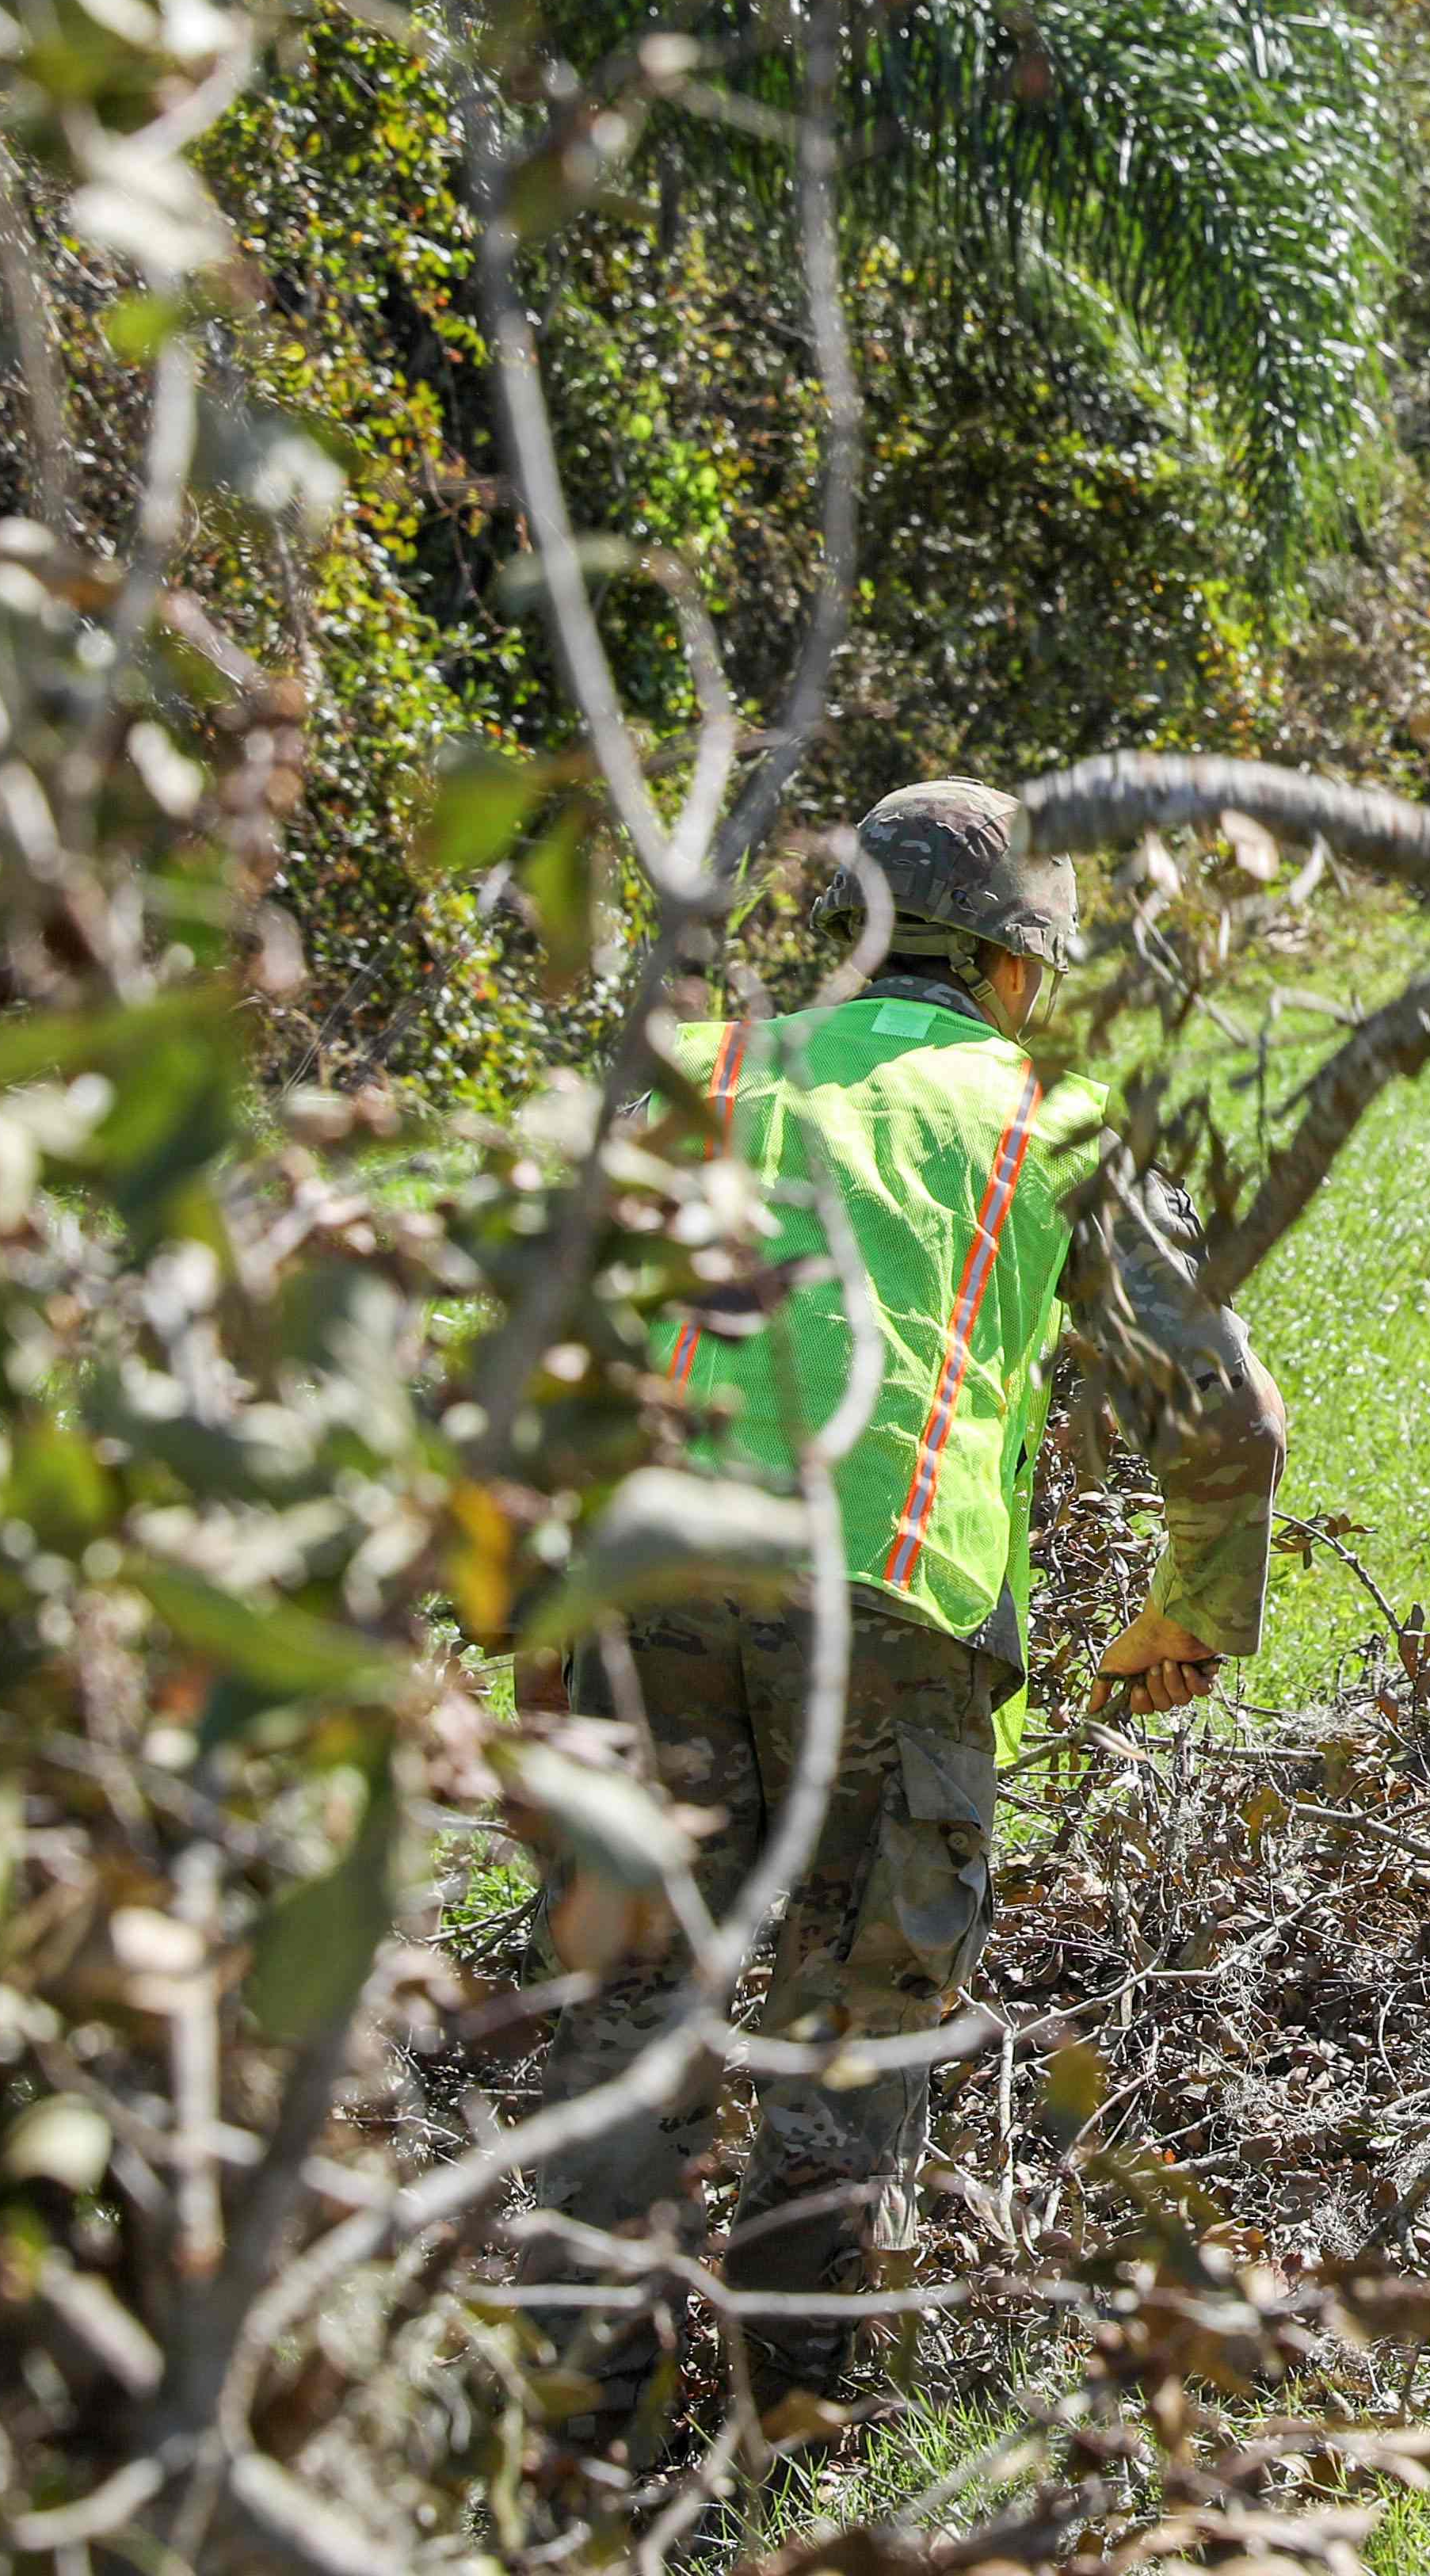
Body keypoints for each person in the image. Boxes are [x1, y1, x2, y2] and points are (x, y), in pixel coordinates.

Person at [540, 778, 1284, 2403]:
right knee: (849, 2023)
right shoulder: (1040, 1117)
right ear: (1021, 967)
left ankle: (568, 2412)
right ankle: (767, 2424)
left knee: (627, 2006)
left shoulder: (698, 1066)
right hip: (883, 1606)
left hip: (637, 1580)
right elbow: (1228, 1415)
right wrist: (1195, 1610)